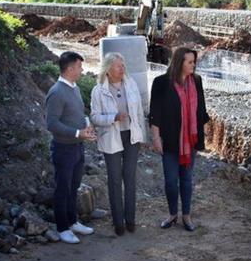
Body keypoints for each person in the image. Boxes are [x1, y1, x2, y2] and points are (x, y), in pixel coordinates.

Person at [148, 47, 209, 232]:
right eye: (190, 62)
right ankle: (172, 214)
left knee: (187, 180)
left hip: (189, 141)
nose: (193, 65)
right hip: (170, 140)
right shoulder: (161, 82)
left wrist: (199, 130)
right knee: (170, 180)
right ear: (179, 62)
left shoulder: (196, 81)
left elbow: (202, 108)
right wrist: (156, 137)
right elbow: (155, 113)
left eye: (194, 61)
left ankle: (187, 216)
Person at [90, 52, 146, 236]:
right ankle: (118, 222)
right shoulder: (98, 90)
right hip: (111, 137)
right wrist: (113, 117)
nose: (122, 69)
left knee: (130, 178)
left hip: (131, 136)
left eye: (123, 65)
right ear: (108, 69)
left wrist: (142, 136)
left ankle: (130, 220)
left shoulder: (131, 84)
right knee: (114, 180)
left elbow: (139, 112)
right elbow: (95, 117)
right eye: (118, 66)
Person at [45, 51, 96, 244]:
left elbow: (79, 112)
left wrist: (87, 124)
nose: (82, 70)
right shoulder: (57, 92)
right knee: (62, 189)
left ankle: (73, 221)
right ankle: (62, 228)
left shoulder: (73, 88)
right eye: (80, 67)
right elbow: (51, 124)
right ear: (70, 69)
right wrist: (77, 133)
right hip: (63, 149)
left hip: (77, 147)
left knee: (73, 186)